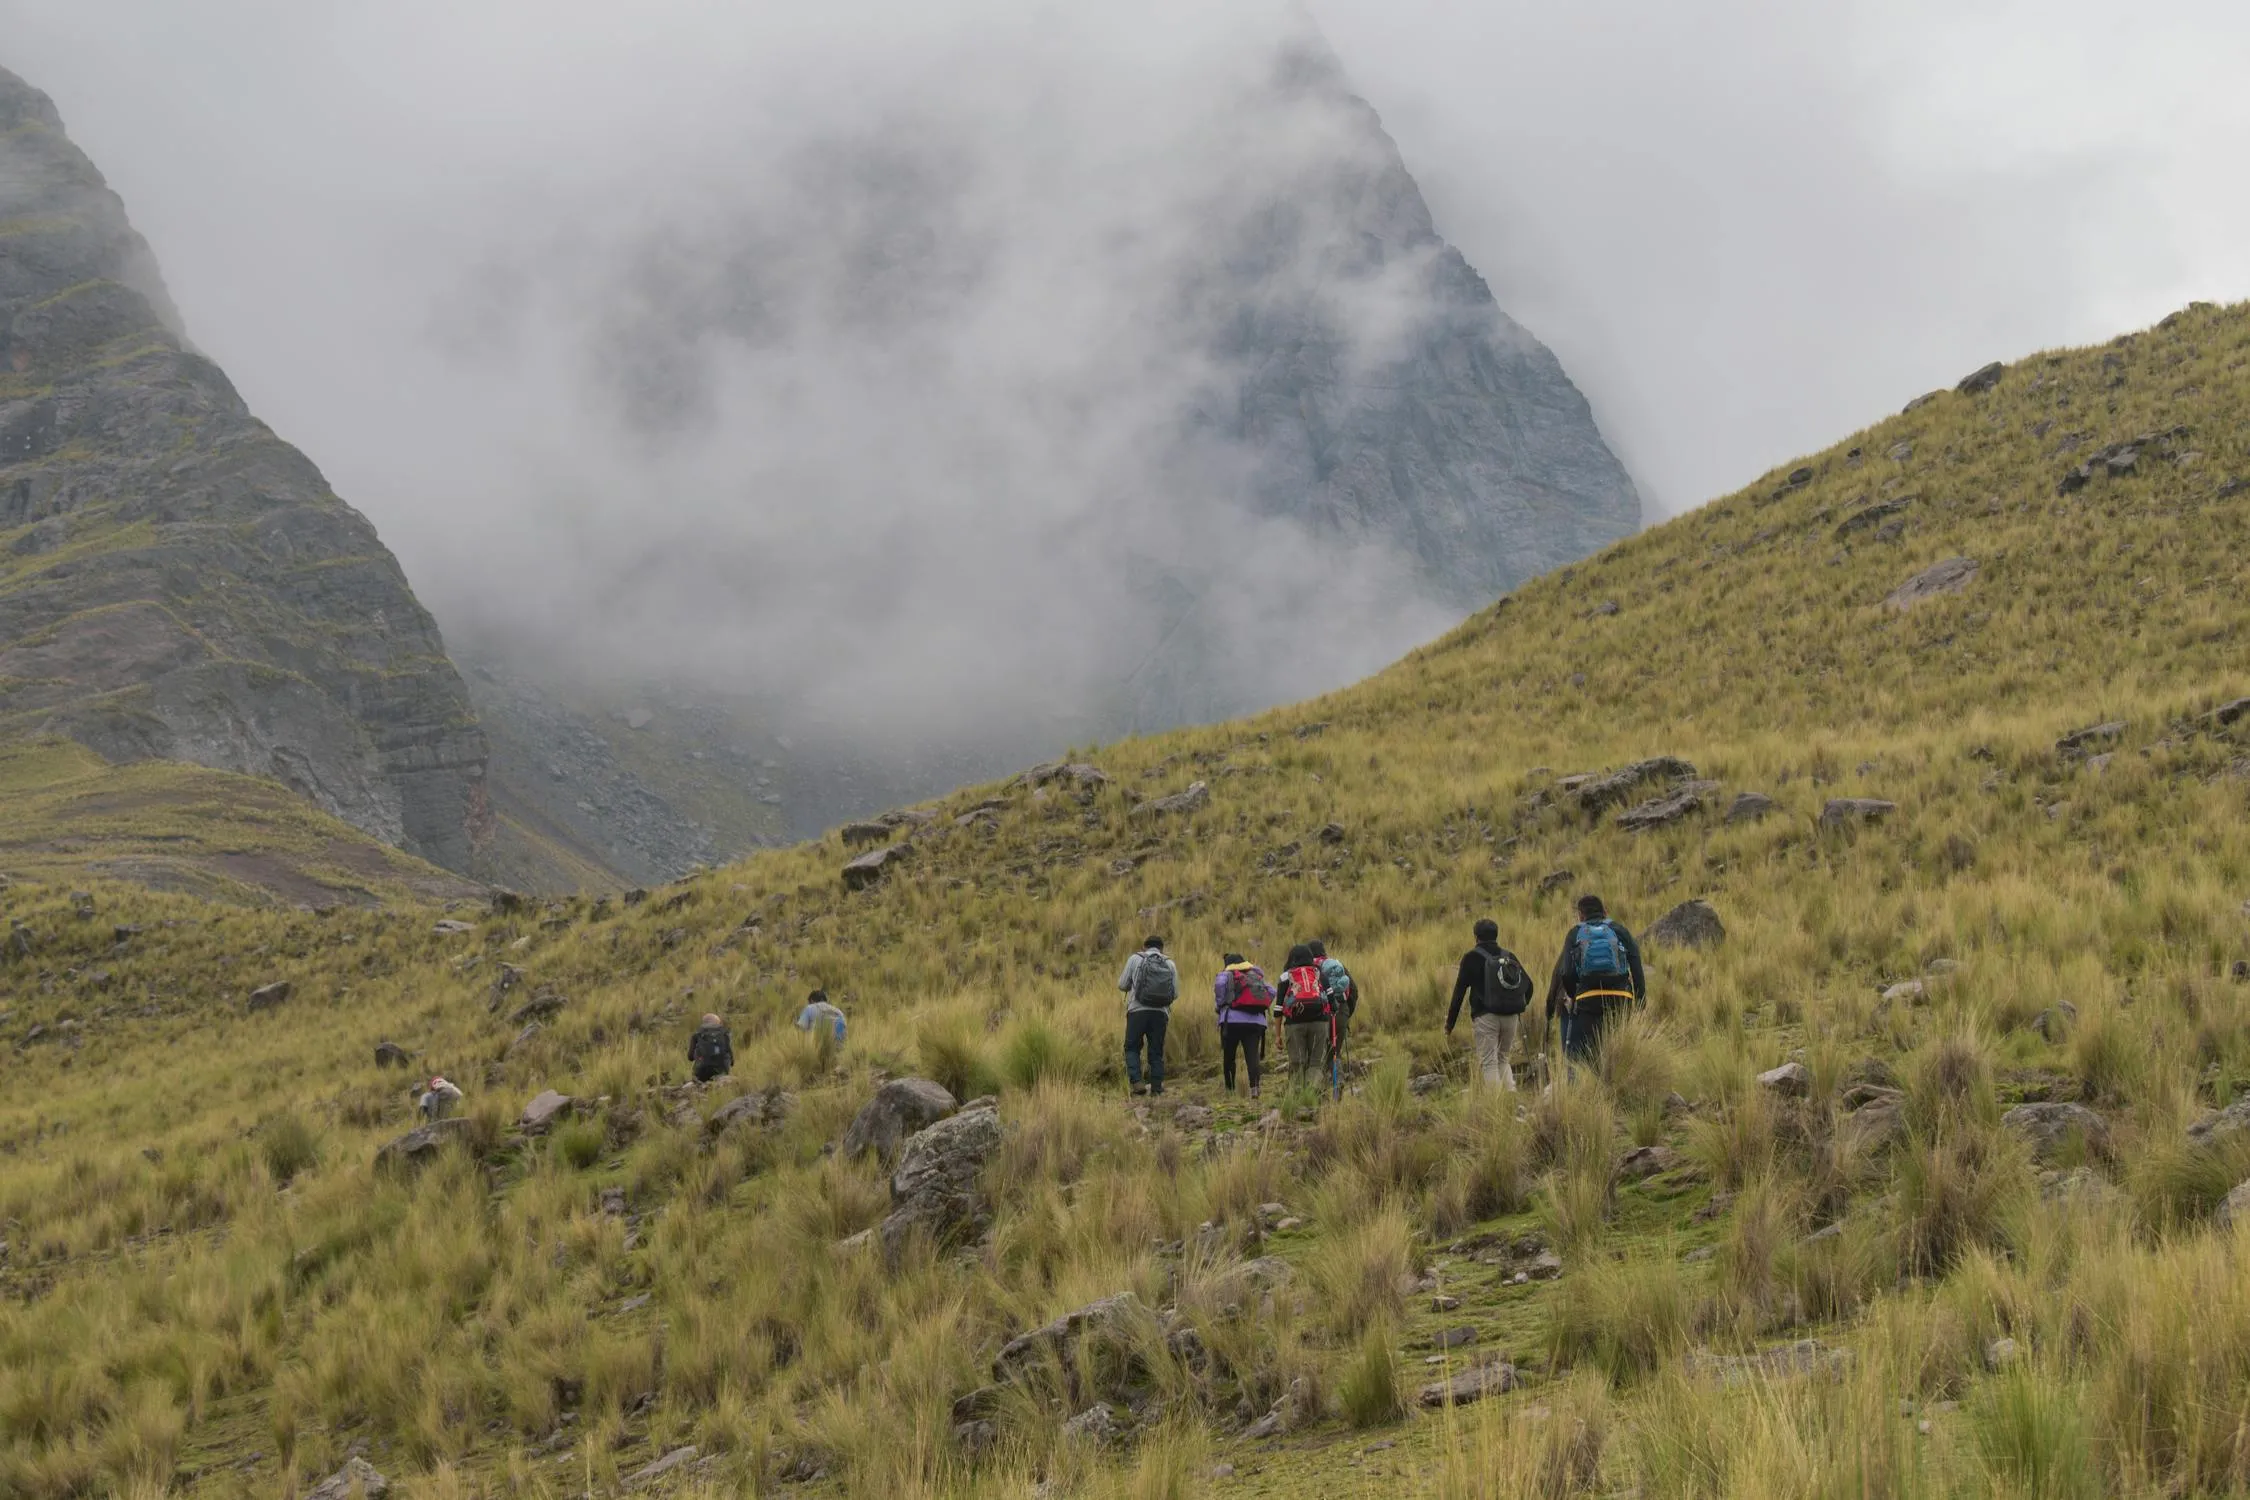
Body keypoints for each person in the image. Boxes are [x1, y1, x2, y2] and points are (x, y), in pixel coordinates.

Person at [1546, 895, 1646, 1065]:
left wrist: (1574, 995)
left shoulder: (1575, 932)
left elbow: (1566, 972)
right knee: (1618, 1054)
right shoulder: (1619, 930)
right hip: (1621, 998)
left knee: (1591, 1054)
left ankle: (1593, 1087)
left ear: (1581, 915)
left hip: (1588, 1000)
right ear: (1604, 912)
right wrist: (1640, 1002)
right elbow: (1636, 967)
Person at [1445, 918, 1534, 1089]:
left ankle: (1496, 1107)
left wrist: (1450, 1024)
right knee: (1503, 1059)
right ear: (1496, 935)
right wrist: (1517, 1007)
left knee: (1489, 1062)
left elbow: (1459, 993)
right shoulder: (1509, 956)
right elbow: (1529, 986)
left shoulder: (1471, 957)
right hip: (1511, 1018)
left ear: (1476, 937)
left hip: (1486, 1017)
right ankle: (1511, 1100)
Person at [1117, 935, 1179, 1096]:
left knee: (1131, 1047)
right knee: (1156, 1050)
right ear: (1161, 948)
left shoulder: (1135, 959)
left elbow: (1122, 984)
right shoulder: (1169, 963)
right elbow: (1176, 994)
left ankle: (1137, 1082)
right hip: (1160, 1014)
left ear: (1144, 946)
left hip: (1137, 1011)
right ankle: (1157, 1087)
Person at [1214, 952, 1274, 1098]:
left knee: (1229, 1057)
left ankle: (1230, 1090)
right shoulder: (1255, 975)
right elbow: (1271, 991)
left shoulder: (1225, 975)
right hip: (1255, 1022)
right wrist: (1257, 1006)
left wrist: (1221, 1005)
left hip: (1231, 1021)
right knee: (1252, 1056)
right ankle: (1255, 1089)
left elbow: (1220, 989)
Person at [1275, 944, 1332, 1093]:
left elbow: (1278, 1009)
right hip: (1320, 1023)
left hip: (1294, 1025)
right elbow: (1332, 1001)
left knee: (1297, 1062)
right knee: (1315, 1063)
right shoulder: (1319, 973)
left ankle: (1297, 1096)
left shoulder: (1285, 976)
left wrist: (1277, 1035)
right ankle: (1313, 1095)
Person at [1308, 939, 1358, 1083]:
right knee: (1335, 1052)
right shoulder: (1337, 966)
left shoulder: (1309, 968)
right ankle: (1339, 1080)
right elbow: (1353, 991)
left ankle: (1320, 1089)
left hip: (1320, 1013)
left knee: (1318, 1054)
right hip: (1340, 1011)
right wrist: (1347, 1013)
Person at [688, 1012, 734, 1083]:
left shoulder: (697, 1034)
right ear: (717, 1023)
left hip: (702, 1073)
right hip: (722, 1071)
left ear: (703, 1023)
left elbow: (690, 1057)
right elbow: (731, 1056)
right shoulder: (725, 1034)